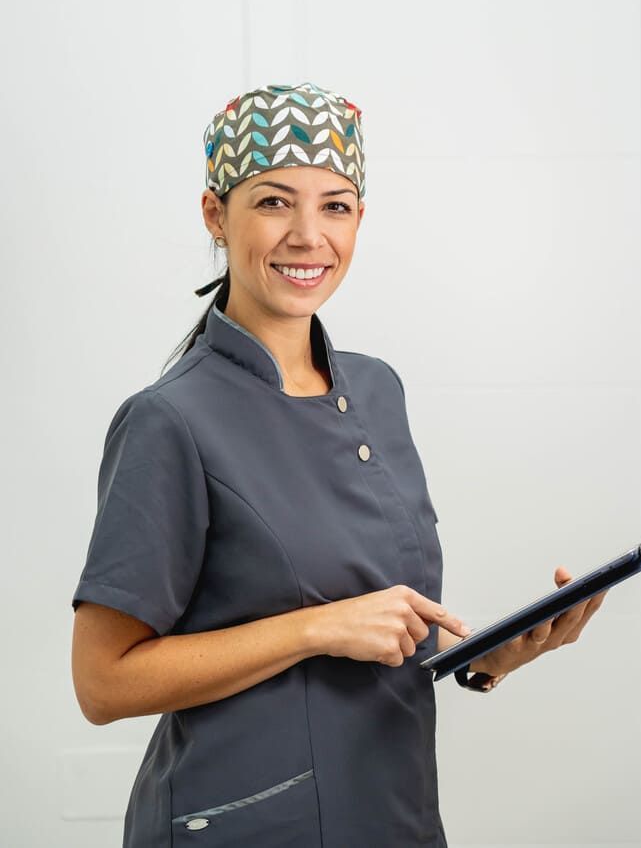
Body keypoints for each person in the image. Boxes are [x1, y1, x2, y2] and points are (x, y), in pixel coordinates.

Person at [70, 81, 606, 848]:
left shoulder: (378, 389)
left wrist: (486, 657)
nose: (306, 235)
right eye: (272, 202)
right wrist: (314, 628)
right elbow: (102, 682)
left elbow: (378, 626)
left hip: (389, 813)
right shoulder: (170, 421)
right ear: (215, 216)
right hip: (244, 823)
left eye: (334, 206)